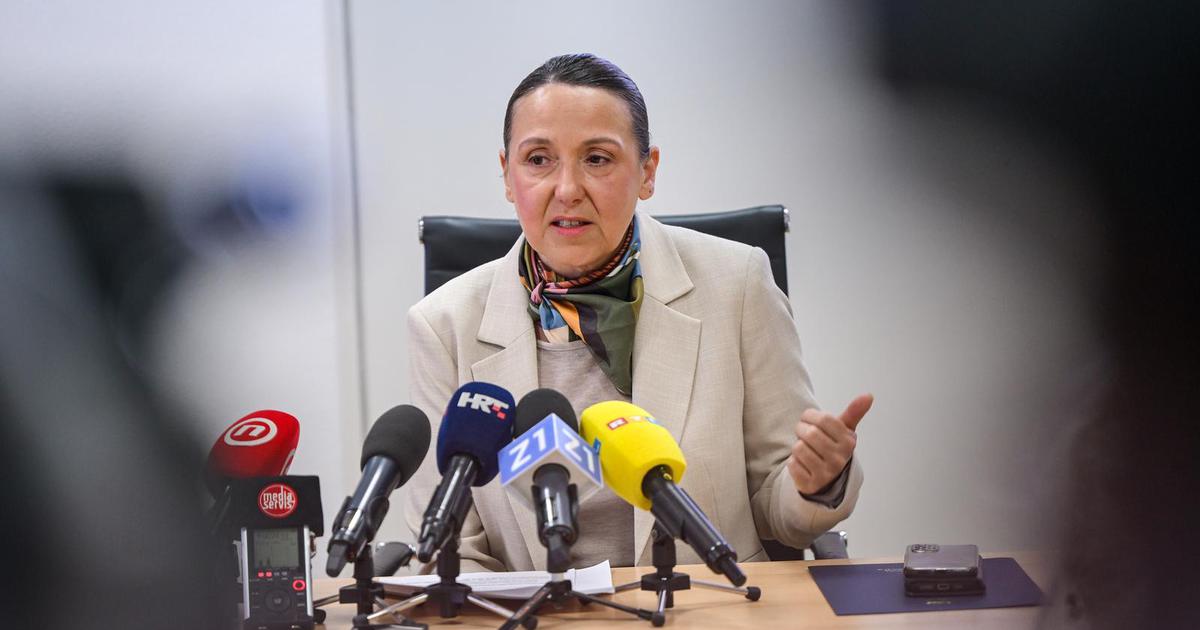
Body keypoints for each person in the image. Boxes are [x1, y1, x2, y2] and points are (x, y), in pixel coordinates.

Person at [402, 53, 872, 572]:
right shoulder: (444, 325)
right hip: (534, 611)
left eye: (597, 159)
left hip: (706, 602)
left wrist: (815, 482)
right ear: (508, 176)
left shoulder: (737, 284)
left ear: (647, 172)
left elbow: (779, 506)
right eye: (538, 159)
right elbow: (449, 548)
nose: (567, 189)